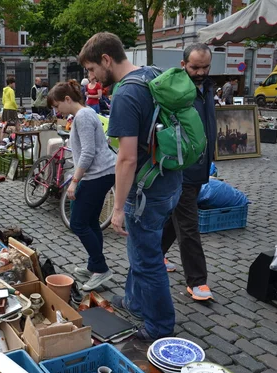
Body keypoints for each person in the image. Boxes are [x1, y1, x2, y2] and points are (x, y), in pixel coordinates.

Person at [79, 32, 182, 341]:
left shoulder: (126, 93)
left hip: (148, 188)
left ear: (106, 60)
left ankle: (158, 326)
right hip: (170, 179)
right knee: (140, 248)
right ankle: (135, 301)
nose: (91, 78)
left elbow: (126, 159)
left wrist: (119, 208)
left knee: (147, 260)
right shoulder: (151, 73)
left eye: (91, 70)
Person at [47, 80, 117, 291]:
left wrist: (74, 181)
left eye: (57, 106)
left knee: (77, 223)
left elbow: (88, 152)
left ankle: (101, 268)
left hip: (97, 175)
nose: (57, 110)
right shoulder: (84, 115)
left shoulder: (84, 116)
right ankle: (94, 265)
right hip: (101, 173)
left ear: (68, 99)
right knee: (90, 221)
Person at [161, 43, 216, 302]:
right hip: (183, 169)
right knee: (188, 224)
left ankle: (155, 254)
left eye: (205, 67)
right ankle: (197, 281)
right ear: (183, 65)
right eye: (195, 67)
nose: (200, 72)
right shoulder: (176, 91)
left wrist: (211, 157)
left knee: (177, 219)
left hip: (199, 167)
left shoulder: (207, 88)